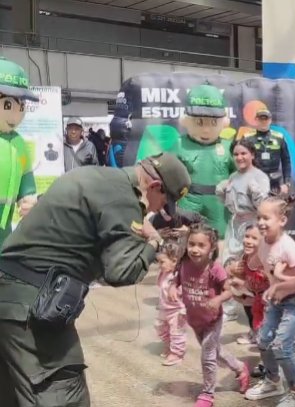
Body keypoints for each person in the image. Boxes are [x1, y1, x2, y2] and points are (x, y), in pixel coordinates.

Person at [0, 152, 191, 406]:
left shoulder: (88, 175)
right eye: (163, 204)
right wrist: (153, 241)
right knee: (63, 392)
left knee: (14, 394)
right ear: (154, 186)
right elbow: (121, 272)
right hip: (31, 310)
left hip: (11, 302)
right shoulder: (122, 197)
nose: (159, 211)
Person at [169, 223, 250, 406]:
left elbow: (230, 291)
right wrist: (173, 288)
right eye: (191, 244)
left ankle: (208, 394)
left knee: (207, 356)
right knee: (216, 352)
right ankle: (240, 367)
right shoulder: (184, 263)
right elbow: (177, 279)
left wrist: (218, 300)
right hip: (195, 320)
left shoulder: (215, 269)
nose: (194, 249)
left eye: (200, 245)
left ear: (211, 247)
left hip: (212, 320)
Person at [245, 196, 295, 406]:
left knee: (281, 346)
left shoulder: (287, 247)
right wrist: (241, 266)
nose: (261, 222)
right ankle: (273, 381)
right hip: (275, 302)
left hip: (293, 302)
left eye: (266, 218)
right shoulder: (263, 242)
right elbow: (254, 263)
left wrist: (279, 281)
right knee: (263, 341)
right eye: (259, 217)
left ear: (282, 220)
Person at [0, 58, 39, 247]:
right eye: (8, 105)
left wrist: (28, 197)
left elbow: (25, 176)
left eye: (21, 106)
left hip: (5, 225)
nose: (16, 115)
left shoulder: (19, 143)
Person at [216, 137, 270, 263]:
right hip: (234, 225)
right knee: (230, 261)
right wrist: (221, 191)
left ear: (252, 155)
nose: (239, 157)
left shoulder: (260, 177)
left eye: (243, 153)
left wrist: (255, 190)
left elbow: (263, 207)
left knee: (250, 262)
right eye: (236, 154)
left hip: (252, 225)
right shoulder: (233, 176)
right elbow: (226, 202)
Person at [228, 223, 269, 346]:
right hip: (254, 292)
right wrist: (233, 270)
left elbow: (268, 282)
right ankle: (254, 331)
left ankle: (262, 335)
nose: (248, 241)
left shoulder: (265, 259)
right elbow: (230, 272)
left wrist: (242, 283)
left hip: (267, 297)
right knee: (236, 290)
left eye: (254, 238)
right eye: (247, 236)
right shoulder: (246, 256)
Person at [241, 109, 292, 194]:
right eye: (261, 119)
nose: (264, 121)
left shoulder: (279, 137)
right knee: (255, 207)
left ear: (270, 120)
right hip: (253, 182)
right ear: (256, 120)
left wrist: (287, 183)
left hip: (274, 183)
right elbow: (241, 161)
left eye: (266, 119)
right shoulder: (247, 138)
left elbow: (286, 161)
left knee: (274, 206)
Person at [154, 242, 187, 367]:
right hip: (164, 308)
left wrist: (185, 310)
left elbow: (186, 295)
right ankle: (169, 344)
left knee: (177, 332)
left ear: (174, 261)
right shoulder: (163, 273)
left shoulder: (179, 276)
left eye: (162, 262)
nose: (159, 265)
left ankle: (177, 353)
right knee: (159, 327)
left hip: (177, 310)